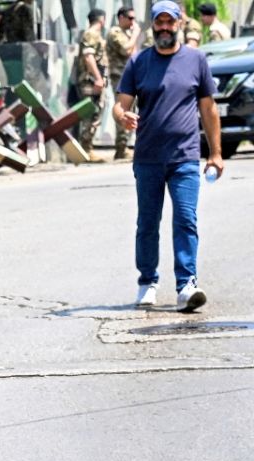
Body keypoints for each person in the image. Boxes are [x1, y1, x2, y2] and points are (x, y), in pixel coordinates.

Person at [114, 0, 222, 311]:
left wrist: (215, 153)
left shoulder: (196, 60)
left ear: (178, 24)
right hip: (148, 158)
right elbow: (120, 104)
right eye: (159, 22)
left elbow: (208, 109)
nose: (164, 27)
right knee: (148, 223)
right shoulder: (139, 62)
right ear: (153, 26)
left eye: (169, 22)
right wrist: (122, 116)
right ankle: (147, 281)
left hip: (184, 156)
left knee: (186, 219)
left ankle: (187, 284)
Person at [107, 6, 141, 159]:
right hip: (119, 76)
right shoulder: (115, 32)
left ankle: (126, 145)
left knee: (132, 109)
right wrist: (135, 35)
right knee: (122, 108)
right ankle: (121, 148)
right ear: (121, 17)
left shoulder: (126, 34)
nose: (133, 22)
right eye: (130, 18)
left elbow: (134, 55)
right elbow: (125, 50)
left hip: (130, 76)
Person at [77, 8, 110, 161]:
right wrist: (98, 78)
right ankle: (85, 150)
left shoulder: (94, 35)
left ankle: (86, 149)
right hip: (90, 81)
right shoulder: (91, 34)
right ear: (101, 19)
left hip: (94, 81)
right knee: (90, 114)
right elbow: (88, 57)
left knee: (95, 113)